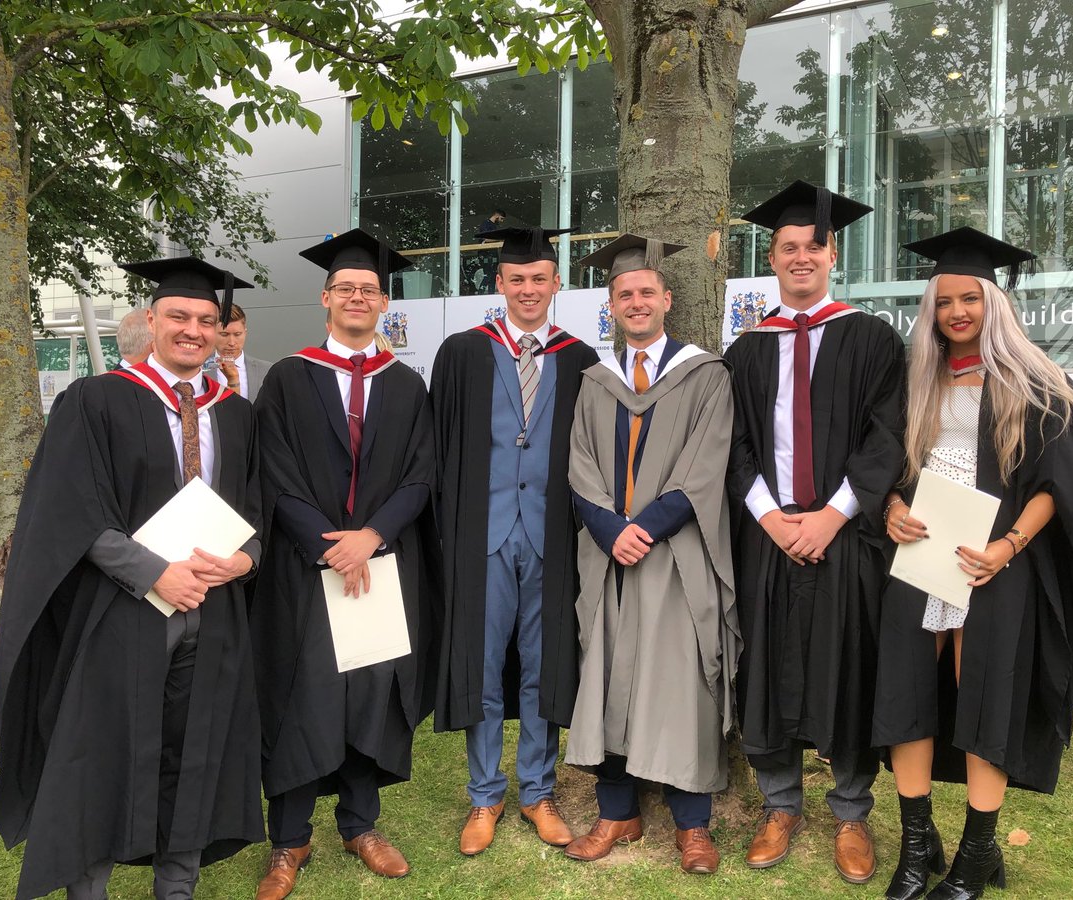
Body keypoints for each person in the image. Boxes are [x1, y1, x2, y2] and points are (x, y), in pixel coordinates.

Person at [0, 257, 264, 900]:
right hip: (122, 611)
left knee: (195, 750)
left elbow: (257, 506)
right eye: (179, 317)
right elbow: (71, 510)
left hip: (215, 611)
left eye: (207, 320)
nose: (194, 330)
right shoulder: (96, 399)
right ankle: (89, 885)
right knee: (104, 752)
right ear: (152, 320)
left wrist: (247, 557)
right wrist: (153, 574)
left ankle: (177, 883)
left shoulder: (235, 413)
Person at [876, 227, 1073, 900]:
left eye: (969, 299)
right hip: (920, 556)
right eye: (944, 301)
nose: (956, 312)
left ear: (993, 304)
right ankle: (917, 846)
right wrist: (892, 504)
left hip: (993, 566)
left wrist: (1007, 547)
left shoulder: (1038, 383)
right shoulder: (914, 380)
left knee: (986, 694)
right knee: (908, 689)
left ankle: (978, 853)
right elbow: (882, 464)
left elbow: (1057, 487)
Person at [249, 230, 441, 898]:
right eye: (346, 289)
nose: (358, 298)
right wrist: (332, 545)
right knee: (302, 696)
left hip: (381, 565)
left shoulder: (406, 385)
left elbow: (423, 476)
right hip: (306, 571)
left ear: (383, 303)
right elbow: (272, 473)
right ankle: (289, 840)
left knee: (369, 695)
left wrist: (373, 537)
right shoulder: (287, 378)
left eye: (369, 289)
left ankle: (361, 824)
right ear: (326, 300)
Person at [725, 180, 905, 885]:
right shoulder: (746, 351)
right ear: (771, 258)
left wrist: (833, 515)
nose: (802, 258)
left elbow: (886, 437)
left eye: (813, 247)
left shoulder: (872, 339)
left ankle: (852, 810)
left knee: (848, 663)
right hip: (768, 533)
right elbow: (732, 444)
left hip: (845, 533)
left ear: (833, 254)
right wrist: (771, 517)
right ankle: (779, 804)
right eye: (788, 247)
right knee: (766, 667)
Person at [562, 234, 740, 875]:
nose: (636, 302)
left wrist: (648, 528)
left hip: (675, 554)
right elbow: (579, 462)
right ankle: (617, 812)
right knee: (608, 673)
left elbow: (704, 466)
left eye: (646, 292)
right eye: (624, 295)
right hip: (610, 557)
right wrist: (611, 530)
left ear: (667, 300)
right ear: (611, 307)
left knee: (682, 681)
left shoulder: (706, 376)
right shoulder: (595, 382)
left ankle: (693, 824)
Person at [431, 225, 600, 856]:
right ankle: (484, 794)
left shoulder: (580, 358)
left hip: (553, 534)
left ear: (557, 284)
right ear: (499, 283)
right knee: (481, 664)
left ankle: (536, 790)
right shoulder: (462, 353)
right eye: (517, 279)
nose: (529, 289)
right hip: (484, 534)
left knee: (542, 663)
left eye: (540, 279)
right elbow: (441, 452)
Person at [207, 302, 272, 400]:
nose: (232, 342)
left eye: (237, 334)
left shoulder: (267, 370)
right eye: (224, 334)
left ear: (245, 333)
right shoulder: (197, 369)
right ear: (212, 333)